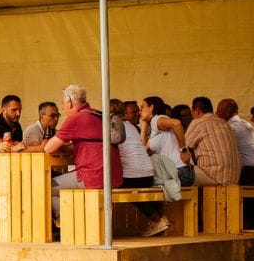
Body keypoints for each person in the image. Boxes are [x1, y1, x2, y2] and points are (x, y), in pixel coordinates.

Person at [44, 85, 122, 223]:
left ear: (70, 102)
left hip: (93, 176)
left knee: (46, 187)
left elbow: (49, 148)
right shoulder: (99, 115)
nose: (63, 107)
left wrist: (52, 143)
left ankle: (68, 223)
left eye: (63, 103)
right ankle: (76, 222)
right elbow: (84, 146)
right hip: (114, 176)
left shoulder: (76, 118)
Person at [110, 99, 167, 235]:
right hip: (148, 173)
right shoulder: (131, 127)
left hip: (131, 177)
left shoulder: (111, 127)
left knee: (109, 188)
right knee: (136, 190)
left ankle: (157, 219)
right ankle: (159, 218)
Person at [185, 96, 241, 186]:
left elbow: (184, 147)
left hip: (213, 177)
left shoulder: (198, 122)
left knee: (176, 171)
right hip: (234, 178)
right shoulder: (224, 122)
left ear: (197, 111)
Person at [140, 96, 194, 186]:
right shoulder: (155, 125)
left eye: (142, 107)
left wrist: (183, 150)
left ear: (151, 107)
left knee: (142, 182)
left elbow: (176, 123)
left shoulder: (157, 120)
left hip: (179, 171)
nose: (140, 111)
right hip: (181, 172)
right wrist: (145, 123)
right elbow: (144, 149)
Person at [216, 97, 254, 181]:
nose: (216, 113)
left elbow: (219, 150)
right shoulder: (245, 123)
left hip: (249, 173)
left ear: (227, 112)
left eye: (219, 110)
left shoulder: (229, 128)